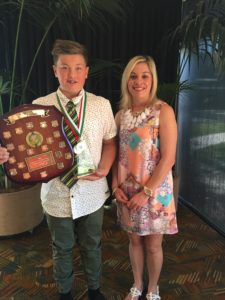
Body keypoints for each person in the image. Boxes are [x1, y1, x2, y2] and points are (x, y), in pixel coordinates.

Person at [33, 39, 117, 300]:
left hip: (92, 193)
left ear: (87, 71)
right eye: (65, 68)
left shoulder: (101, 105)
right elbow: (31, 150)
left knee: (92, 245)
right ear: (54, 70)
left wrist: (104, 168)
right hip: (56, 193)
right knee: (62, 248)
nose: (72, 75)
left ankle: (94, 290)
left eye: (78, 68)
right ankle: (65, 293)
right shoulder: (40, 107)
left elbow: (110, 141)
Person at [112, 55, 178, 300]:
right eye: (133, 75)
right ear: (126, 80)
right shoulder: (121, 116)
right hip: (127, 193)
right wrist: (114, 186)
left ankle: (153, 289)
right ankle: (137, 284)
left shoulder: (164, 111)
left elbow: (168, 159)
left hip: (155, 193)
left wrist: (146, 192)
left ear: (152, 80)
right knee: (135, 242)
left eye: (144, 76)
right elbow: (116, 155)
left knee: (152, 245)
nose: (138, 81)